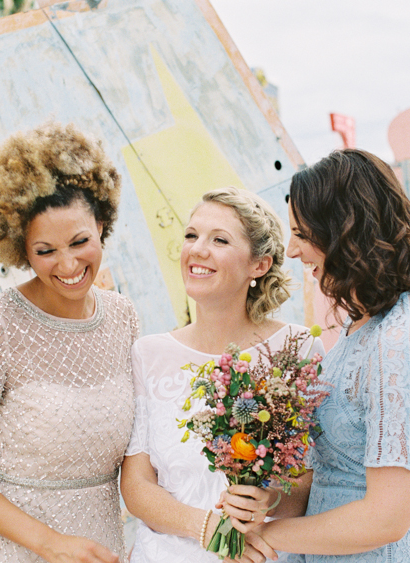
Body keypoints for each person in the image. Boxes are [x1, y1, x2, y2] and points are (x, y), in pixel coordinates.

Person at [0, 122, 139, 563]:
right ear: (21, 249)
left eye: (80, 241)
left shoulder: (123, 317)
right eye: (45, 251)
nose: (68, 264)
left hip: (102, 547)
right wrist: (47, 543)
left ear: (102, 224)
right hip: (18, 551)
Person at [222, 149, 410, 561]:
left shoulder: (400, 345)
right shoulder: (362, 322)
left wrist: (271, 536)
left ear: (344, 233)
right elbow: (332, 473)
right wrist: (264, 504)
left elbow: (386, 518)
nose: (291, 251)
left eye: (302, 235)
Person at [119, 187, 325, 563]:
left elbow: (314, 478)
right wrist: (208, 529)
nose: (197, 249)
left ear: (258, 265)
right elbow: (136, 485)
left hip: (262, 553)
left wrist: (271, 499)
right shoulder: (147, 354)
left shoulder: (297, 349)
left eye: (219, 239)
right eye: (191, 235)